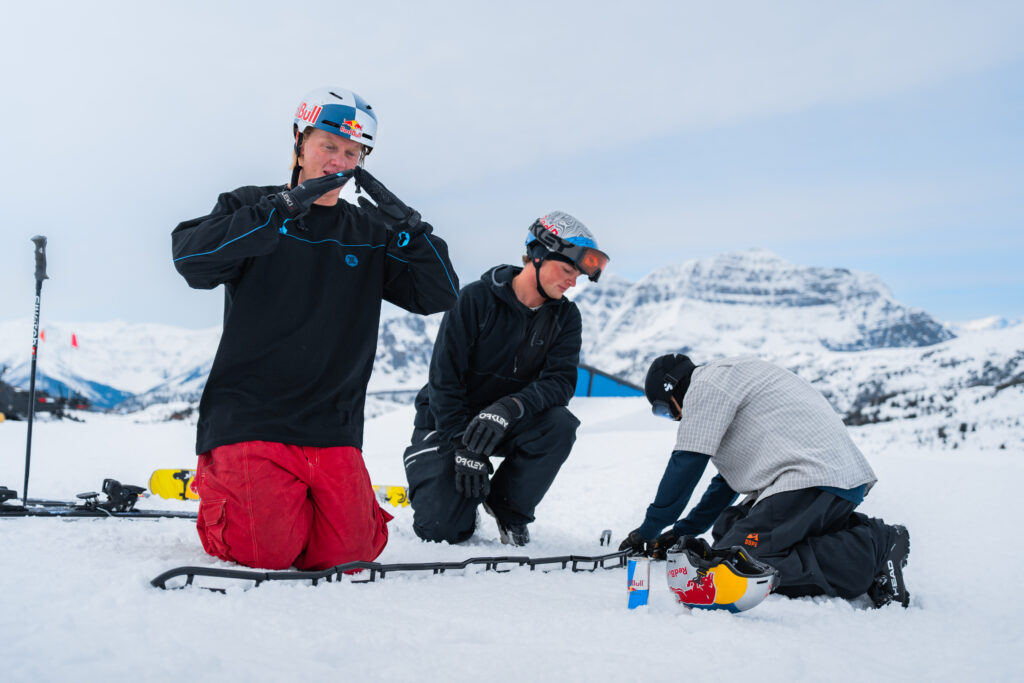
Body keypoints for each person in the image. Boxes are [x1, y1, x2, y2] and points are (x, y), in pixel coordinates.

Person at [171, 86, 460, 571]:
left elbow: (439, 294)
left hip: (332, 424)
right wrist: (279, 209)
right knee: (267, 552)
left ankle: (285, 506)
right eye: (328, 145)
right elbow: (192, 260)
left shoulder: (371, 232)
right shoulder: (251, 206)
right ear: (299, 143)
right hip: (250, 418)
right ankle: (226, 495)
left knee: (350, 556)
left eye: (352, 153)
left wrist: (410, 228)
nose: (338, 160)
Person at [620, 354, 911, 608]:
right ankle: (864, 537)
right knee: (729, 530)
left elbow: (685, 465)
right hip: (827, 478)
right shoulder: (726, 379)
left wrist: (649, 529)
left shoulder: (704, 386)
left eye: (664, 410)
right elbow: (725, 485)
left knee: (739, 563)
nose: (673, 418)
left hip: (810, 475)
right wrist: (682, 530)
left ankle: (873, 549)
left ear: (673, 390)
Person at [404, 212, 609, 546]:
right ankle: (442, 482)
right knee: (443, 530)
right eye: (568, 270)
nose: (573, 282)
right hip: (447, 422)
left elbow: (560, 383)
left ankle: (507, 507)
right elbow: (445, 379)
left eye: (578, 275)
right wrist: (461, 443)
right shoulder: (474, 299)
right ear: (538, 256)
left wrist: (510, 408)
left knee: (559, 425)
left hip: (504, 423)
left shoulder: (565, 316)